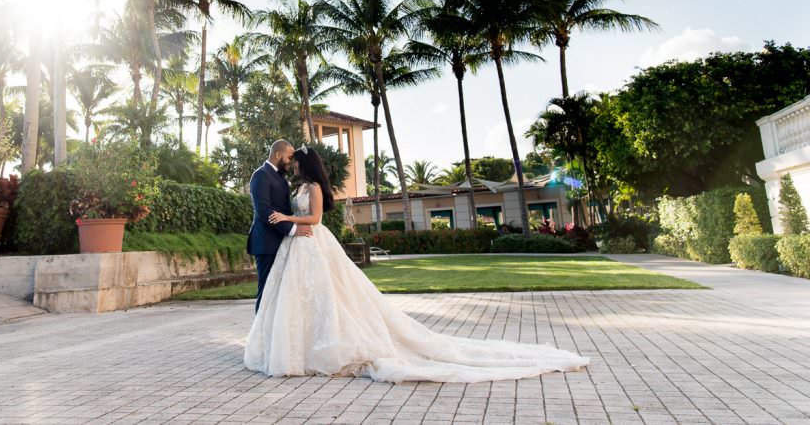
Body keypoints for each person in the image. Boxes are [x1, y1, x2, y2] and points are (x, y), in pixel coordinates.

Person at [243, 144, 589, 383]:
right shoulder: (289, 182)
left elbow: (315, 219)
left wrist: (289, 220)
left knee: (326, 297)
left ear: (304, 164)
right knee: (299, 298)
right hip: (297, 245)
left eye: (295, 161)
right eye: (290, 159)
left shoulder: (313, 187)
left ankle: (314, 348)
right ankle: (291, 346)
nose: (292, 164)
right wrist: (291, 223)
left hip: (310, 242)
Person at [246, 139, 312, 312]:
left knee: (281, 293)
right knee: (267, 291)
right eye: (289, 157)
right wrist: (293, 229)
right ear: (277, 154)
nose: (291, 161)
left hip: (282, 242)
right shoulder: (260, 175)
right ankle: (260, 336)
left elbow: (285, 210)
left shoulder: (281, 178)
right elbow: (264, 211)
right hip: (266, 244)